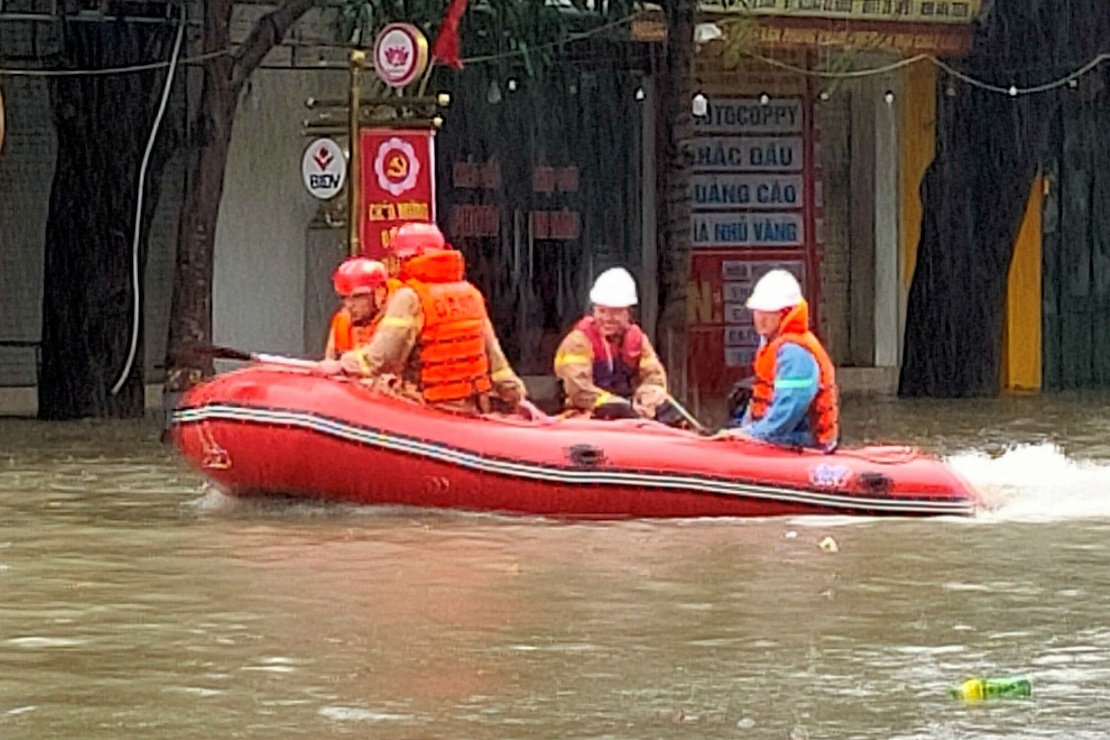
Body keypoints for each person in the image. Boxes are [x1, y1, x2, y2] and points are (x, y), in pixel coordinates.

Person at [326, 223, 528, 413]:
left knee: (377, 387)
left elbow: (382, 359)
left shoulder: (410, 297)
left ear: (406, 259)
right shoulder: (470, 294)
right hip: (471, 406)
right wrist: (515, 395)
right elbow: (496, 361)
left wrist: (342, 364)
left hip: (429, 407)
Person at [728, 269, 839, 451]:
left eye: (768, 312)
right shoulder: (772, 344)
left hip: (804, 445)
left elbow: (788, 411)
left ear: (785, 314)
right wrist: (742, 432)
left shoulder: (795, 353)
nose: (761, 318)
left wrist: (750, 436)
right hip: (780, 439)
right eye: (758, 311)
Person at [553, 267, 668, 419]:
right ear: (593, 311)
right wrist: (618, 406)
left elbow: (654, 378)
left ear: (629, 313)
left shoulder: (637, 339)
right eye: (602, 311)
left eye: (615, 312)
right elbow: (578, 390)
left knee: (669, 412)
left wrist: (648, 400)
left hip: (629, 415)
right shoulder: (578, 342)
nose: (607, 318)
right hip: (585, 414)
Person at [324, 258, 390, 361]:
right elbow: (328, 364)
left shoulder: (393, 324)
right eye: (344, 298)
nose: (349, 305)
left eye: (357, 297)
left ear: (379, 293)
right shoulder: (342, 321)